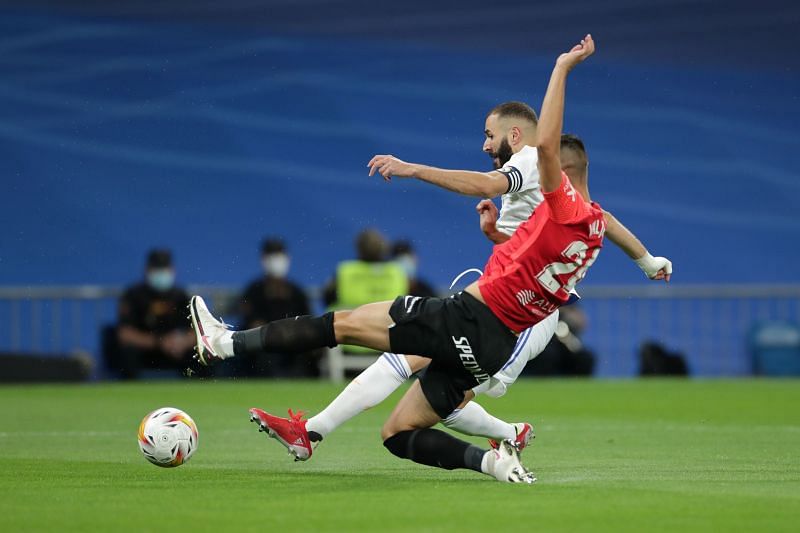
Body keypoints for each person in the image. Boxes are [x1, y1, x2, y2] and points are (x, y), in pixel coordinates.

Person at [190, 35, 644, 483]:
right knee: (399, 427)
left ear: (556, 171)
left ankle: (227, 345)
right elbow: (547, 247)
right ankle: (496, 459)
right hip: (496, 337)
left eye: (489, 135)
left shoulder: (541, 175)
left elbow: (532, 157)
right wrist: (646, 259)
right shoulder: (595, 227)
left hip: (484, 317)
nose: (485, 145)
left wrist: (562, 68)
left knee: (343, 325)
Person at [323, 229, 408, 355]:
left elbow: (327, 299)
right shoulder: (397, 272)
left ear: (359, 248)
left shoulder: (345, 271)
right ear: (383, 248)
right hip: (386, 343)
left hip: (350, 341)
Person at [239, 238, 316, 377]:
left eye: (280, 256)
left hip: (294, 348)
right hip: (265, 347)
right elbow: (251, 323)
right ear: (263, 259)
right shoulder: (254, 291)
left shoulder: (297, 292)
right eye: (272, 256)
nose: (277, 261)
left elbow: (308, 321)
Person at [114, 249, 194, 379]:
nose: (161, 273)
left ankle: (197, 391)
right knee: (128, 353)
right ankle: (130, 393)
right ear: (147, 270)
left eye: (164, 269)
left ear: (172, 270)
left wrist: (182, 343)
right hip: (145, 351)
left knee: (199, 354)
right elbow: (125, 334)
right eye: (157, 269)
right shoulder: (133, 295)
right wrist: (159, 343)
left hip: (175, 351)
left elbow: (196, 331)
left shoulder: (181, 297)